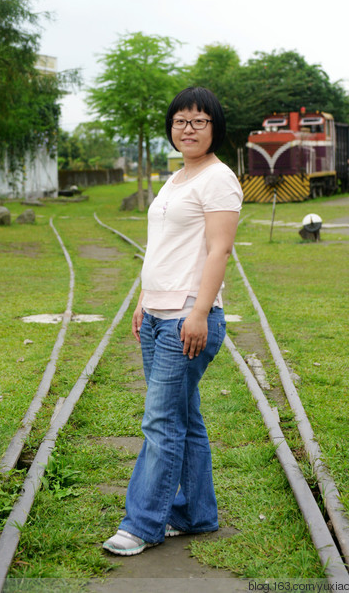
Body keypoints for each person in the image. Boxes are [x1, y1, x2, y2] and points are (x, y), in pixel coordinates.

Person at [103, 86, 243, 556]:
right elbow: (165, 248)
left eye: (199, 121)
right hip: (158, 314)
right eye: (181, 120)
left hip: (188, 316)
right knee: (184, 418)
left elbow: (220, 250)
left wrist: (200, 312)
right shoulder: (175, 179)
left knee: (160, 422)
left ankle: (141, 525)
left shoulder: (218, 179)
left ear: (214, 128)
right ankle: (196, 515)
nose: (188, 128)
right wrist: (144, 298)